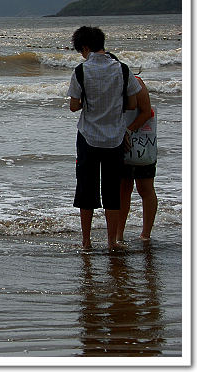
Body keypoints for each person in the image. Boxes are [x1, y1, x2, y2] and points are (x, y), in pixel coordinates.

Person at [67, 26, 140, 251]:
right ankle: (111, 242)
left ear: (86, 48)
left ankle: (86, 242)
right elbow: (132, 104)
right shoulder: (123, 70)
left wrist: (87, 104)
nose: (81, 54)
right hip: (115, 138)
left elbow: (73, 106)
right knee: (112, 192)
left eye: (81, 50)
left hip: (88, 136)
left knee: (86, 190)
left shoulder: (80, 71)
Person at [117, 75, 158, 242]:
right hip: (121, 140)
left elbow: (147, 112)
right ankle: (119, 235)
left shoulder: (135, 82)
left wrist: (128, 131)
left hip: (141, 140)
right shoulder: (111, 82)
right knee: (123, 188)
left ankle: (145, 235)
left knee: (145, 187)